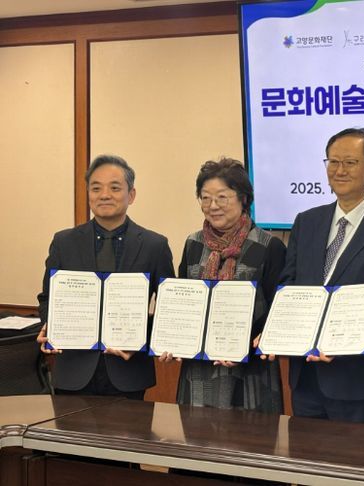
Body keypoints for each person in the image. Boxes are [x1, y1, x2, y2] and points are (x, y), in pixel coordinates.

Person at [269, 127, 364, 426]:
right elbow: (288, 286)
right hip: (307, 378)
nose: (339, 171)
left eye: (350, 162)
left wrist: (341, 342)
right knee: (307, 455)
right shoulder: (306, 222)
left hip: (362, 381)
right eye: (333, 162)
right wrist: (280, 330)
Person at [37, 154, 175, 399]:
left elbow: (168, 308)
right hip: (73, 371)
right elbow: (47, 298)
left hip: (129, 372)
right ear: (88, 194)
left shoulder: (155, 245)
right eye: (96, 188)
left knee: (129, 427)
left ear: (131, 195)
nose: (104, 195)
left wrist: (140, 340)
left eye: (114, 188)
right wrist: (51, 326)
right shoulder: (64, 242)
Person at [160, 158, 285, 413]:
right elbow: (183, 304)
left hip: (251, 373)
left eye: (222, 197)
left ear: (243, 198)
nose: (213, 206)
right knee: (196, 435)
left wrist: (250, 344)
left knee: (252, 435)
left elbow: (279, 312)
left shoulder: (268, 246)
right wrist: (172, 340)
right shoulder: (193, 244)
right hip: (199, 370)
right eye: (205, 198)